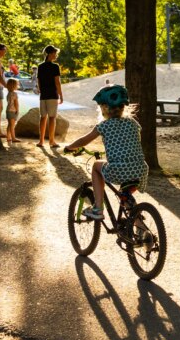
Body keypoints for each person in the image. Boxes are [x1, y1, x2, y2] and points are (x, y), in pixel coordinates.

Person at [64, 85, 149, 220]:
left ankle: (98, 209)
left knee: (97, 166)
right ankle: (141, 229)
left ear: (103, 108)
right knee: (125, 195)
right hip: (140, 169)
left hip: (119, 169)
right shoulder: (133, 123)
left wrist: (69, 147)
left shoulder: (104, 126)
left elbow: (84, 140)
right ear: (124, 107)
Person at [37, 45, 63, 148]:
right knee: (52, 118)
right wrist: (61, 95)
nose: (56, 55)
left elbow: (39, 81)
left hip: (43, 95)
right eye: (55, 53)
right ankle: (51, 141)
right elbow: (57, 82)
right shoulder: (55, 66)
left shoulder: (40, 66)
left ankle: (41, 141)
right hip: (52, 94)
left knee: (43, 117)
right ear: (50, 54)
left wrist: (41, 90)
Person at [5, 78, 20, 144]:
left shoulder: (8, 94)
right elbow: (16, 103)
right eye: (17, 85)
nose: (17, 86)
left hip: (8, 110)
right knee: (12, 125)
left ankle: (8, 137)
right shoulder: (14, 94)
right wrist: (17, 110)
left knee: (9, 125)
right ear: (14, 86)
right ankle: (13, 138)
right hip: (13, 111)